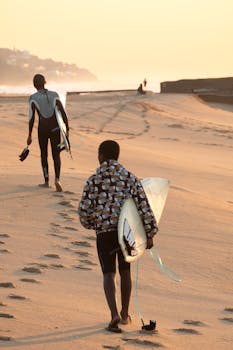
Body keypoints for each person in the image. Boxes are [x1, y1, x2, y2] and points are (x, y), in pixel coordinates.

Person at [78, 140, 158, 333]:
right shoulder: (130, 178)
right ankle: (124, 314)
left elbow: (84, 210)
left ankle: (113, 313)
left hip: (104, 233)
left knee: (108, 273)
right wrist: (149, 233)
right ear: (117, 155)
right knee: (125, 271)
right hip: (126, 233)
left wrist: (92, 224)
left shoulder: (94, 180)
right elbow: (143, 206)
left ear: (101, 156)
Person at [27, 74, 69, 192]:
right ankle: (57, 179)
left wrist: (29, 134)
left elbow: (31, 118)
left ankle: (46, 181)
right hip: (55, 129)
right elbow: (62, 112)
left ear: (34, 84)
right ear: (45, 82)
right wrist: (67, 129)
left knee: (44, 154)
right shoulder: (54, 94)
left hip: (42, 130)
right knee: (56, 154)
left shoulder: (33, 98)